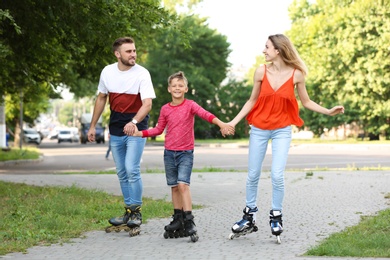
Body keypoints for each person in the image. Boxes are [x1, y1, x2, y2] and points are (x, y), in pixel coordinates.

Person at [225, 34, 344, 243]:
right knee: (253, 174)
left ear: (278, 50)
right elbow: (251, 100)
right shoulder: (261, 71)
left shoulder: (297, 75)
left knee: (277, 174)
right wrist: (233, 122)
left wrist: (328, 111)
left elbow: (306, 102)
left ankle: (276, 216)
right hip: (259, 129)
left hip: (282, 130)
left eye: (267, 47)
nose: (264, 50)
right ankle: (249, 215)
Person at [133, 71, 233, 242]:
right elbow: (158, 130)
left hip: (185, 153)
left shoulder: (190, 105)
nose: (177, 88)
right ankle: (177, 219)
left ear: (186, 89)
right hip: (169, 153)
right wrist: (139, 133)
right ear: (169, 89)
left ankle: (189, 220)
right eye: (174, 86)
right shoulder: (165, 109)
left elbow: (206, 115)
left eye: (180, 86)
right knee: (174, 186)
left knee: (183, 185)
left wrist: (222, 123)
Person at [87, 36, 156, 236]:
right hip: (116, 127)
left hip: (136, 127)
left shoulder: (142, 73)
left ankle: (137, 213)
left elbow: (148, 104)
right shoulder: (107, 72)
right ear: (118, 54)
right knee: (121, 172)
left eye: (134, 50)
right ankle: (128, 212)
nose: (133, 54)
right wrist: (92, 126)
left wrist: (133, 122)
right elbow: (101, 98)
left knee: (131, 169)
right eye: (128, 51)